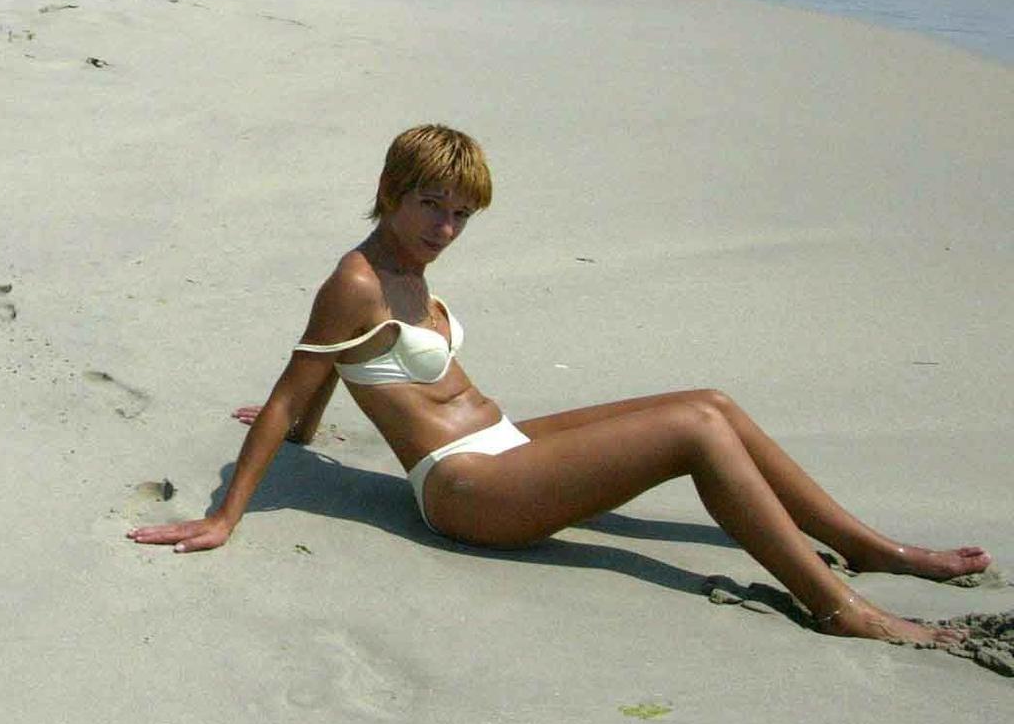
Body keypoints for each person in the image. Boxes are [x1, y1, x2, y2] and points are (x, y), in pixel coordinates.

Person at [128, 125, 988, 647]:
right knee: (693, 429)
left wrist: (313, 430)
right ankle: (839, 605)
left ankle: (873, 549)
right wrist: (226, 514)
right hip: (465, 490)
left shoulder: (409, 267)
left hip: (505, 448)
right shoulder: (354, 278)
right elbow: (292, 386)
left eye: (462, 214)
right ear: (390, 193)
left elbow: (334, 370)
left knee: (714, 401)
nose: (448, 228)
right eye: (433, 205)